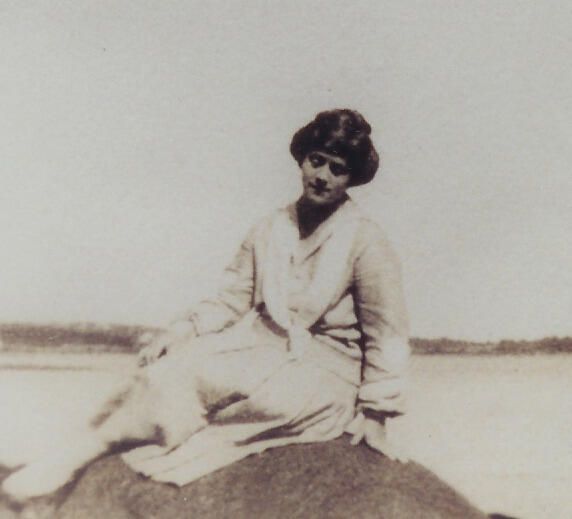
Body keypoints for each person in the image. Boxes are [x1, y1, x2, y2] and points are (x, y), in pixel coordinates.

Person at [2, 109, 410, 503]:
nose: (322, 176)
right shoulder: (271, 227)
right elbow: (232, 298)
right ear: (302, 159)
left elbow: (387, 332)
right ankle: (82, 454)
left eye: (337, 169)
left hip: (327, 369)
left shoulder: (365, 240)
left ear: (351, 178)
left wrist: (377, 414)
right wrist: (185, 329)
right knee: (172, 372)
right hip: (263, 348)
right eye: (316, 161)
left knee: (268, 400)